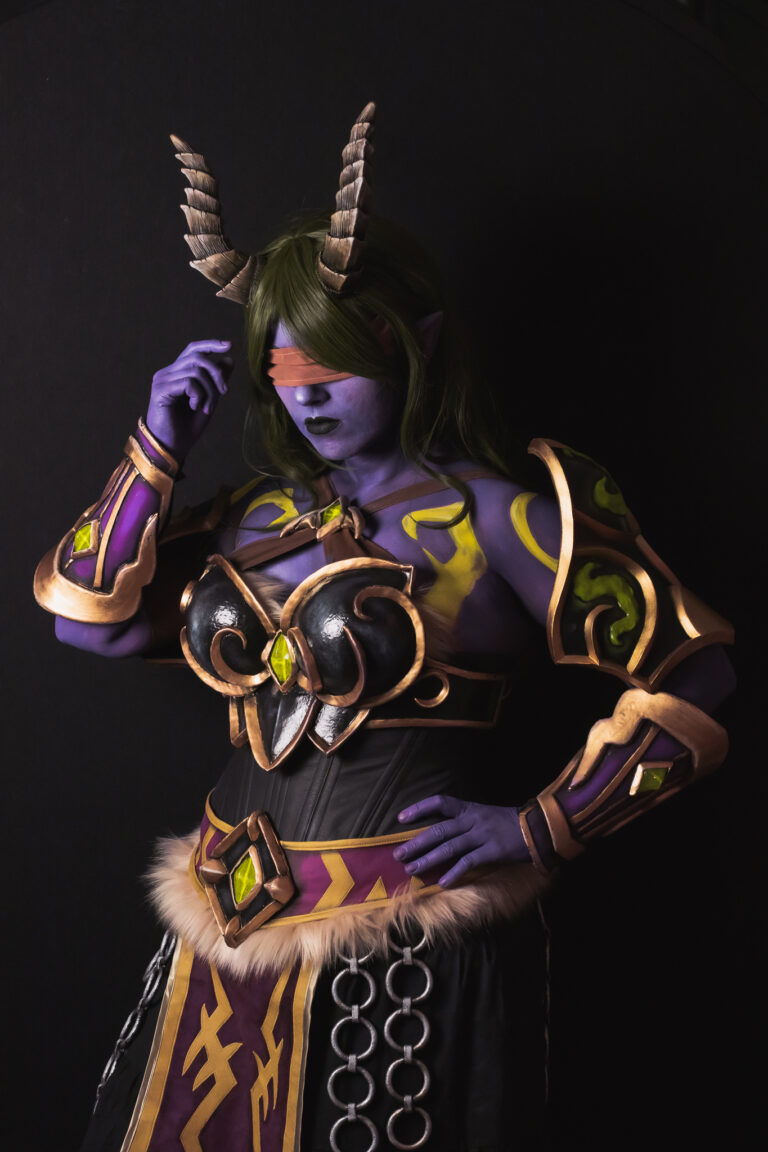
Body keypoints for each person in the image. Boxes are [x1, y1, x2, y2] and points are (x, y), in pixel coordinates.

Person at [34, 104, 735, 1152]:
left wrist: (543, 826)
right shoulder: (250, 516)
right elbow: (88, 624)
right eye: (284, 375)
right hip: (224, 922)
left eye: (334, 369)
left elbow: (699, 674)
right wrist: (154, 448)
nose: (308, 402)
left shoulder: (501, 516)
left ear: (420, 345)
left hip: (406, 940)